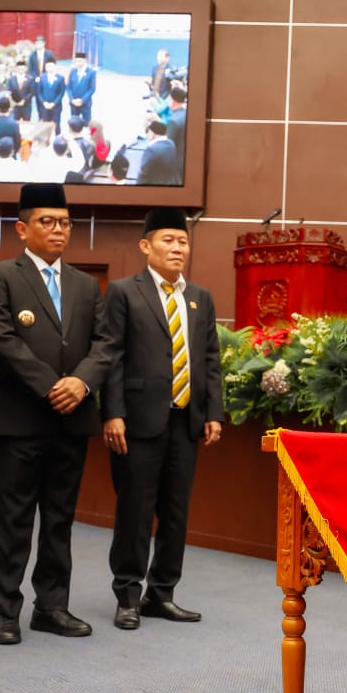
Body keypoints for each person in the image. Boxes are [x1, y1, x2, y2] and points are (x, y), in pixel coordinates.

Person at [0, 183, 112, 644]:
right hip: (20, 418)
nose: (58, 230)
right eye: (47, 222)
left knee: (59, 517)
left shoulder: (84, 284)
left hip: (71, 418)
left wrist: (81, 382)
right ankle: (6, 612)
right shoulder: (0, 275)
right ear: (22, 228)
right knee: (13, 517)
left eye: (65, 223)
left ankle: (52, 607)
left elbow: (105, 343)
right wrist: (51, 384)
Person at [100, 207, 224, 629]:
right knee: (135, 511)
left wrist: (213, 413)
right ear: (146, 246)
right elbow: (111, 356)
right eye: (168, 240)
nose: (176, 248)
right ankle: (128, 596)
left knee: (176, 512)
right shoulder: (123, 291)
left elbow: (210, 359)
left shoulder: (199, 297)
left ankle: (162, 594)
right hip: (137, 421)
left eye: (182, 241)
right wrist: (112, 412)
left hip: (185, 420)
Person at [138, 121, 181, 186]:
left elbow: (143, 174)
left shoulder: (151, 150)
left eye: (148, 132)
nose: (147, 135)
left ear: (153, 133)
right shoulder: (171, 144)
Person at [34, 59, 65, 133]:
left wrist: (54, 103)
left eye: (51, 66)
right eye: (47, 66)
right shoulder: (42, 77)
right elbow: (39, 92)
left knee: (56, 125)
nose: (49, 68)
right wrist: (44, 103)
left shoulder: (60, 78)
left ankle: (58, 141)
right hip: (44, 106)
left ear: (55, 66)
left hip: (56, 107)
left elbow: (61, 93)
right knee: (45, 125)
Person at [66, 52, 96, 124]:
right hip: (73, 103)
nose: (77, 63)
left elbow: (92, 89)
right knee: (73, 123)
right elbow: (68, 87)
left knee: (87, 124)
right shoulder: (73, 71)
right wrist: (72, 99)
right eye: (76, 61)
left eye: (79, 61)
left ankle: (89, 135)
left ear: (85, 60)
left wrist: (82, 100)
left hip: (85, 103)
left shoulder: (91, 72)